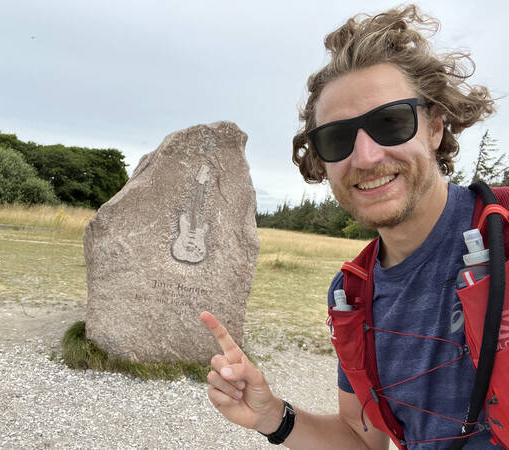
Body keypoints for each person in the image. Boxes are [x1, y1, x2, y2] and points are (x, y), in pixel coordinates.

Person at [200, 5, 501, 449]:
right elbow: (363, 441)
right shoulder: (351, 295)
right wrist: (271, 417)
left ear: (435, 128)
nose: (365, 157)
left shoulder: (504, 236)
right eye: (339, 138)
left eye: (391, 123)